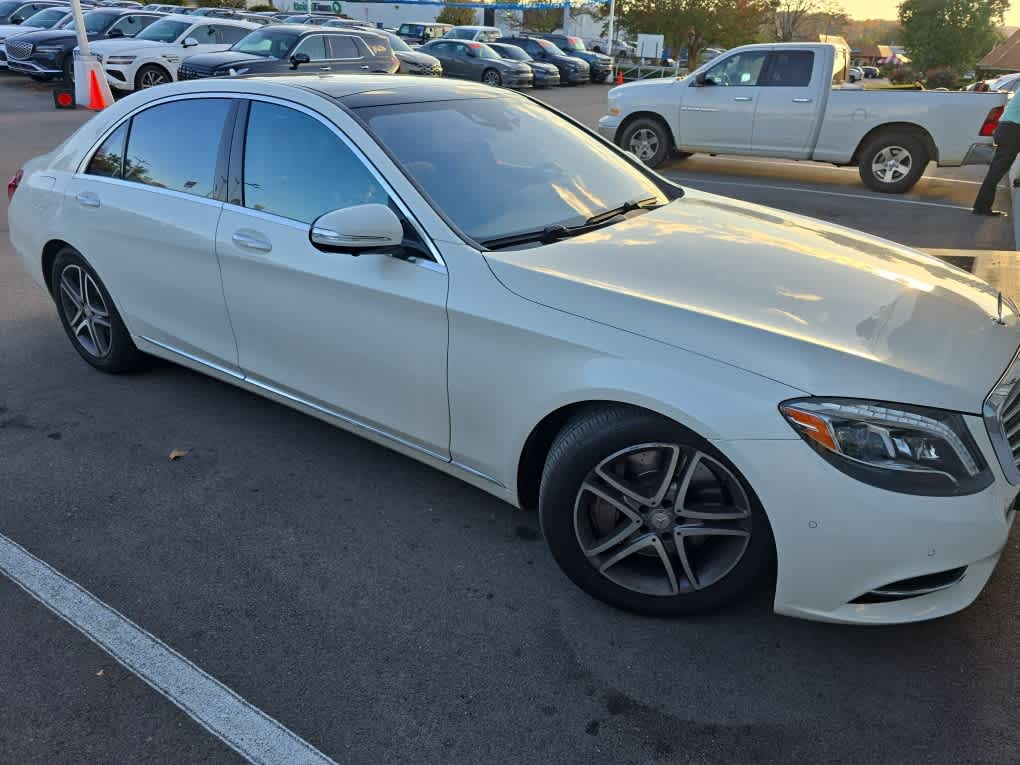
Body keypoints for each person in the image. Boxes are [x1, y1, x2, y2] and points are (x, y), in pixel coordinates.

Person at [973, 94, 1020, 216]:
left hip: (1007, 128)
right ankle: (981, 207)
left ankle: (981, 206)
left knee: (996, 170)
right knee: (996, 172)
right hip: (1013, 130)